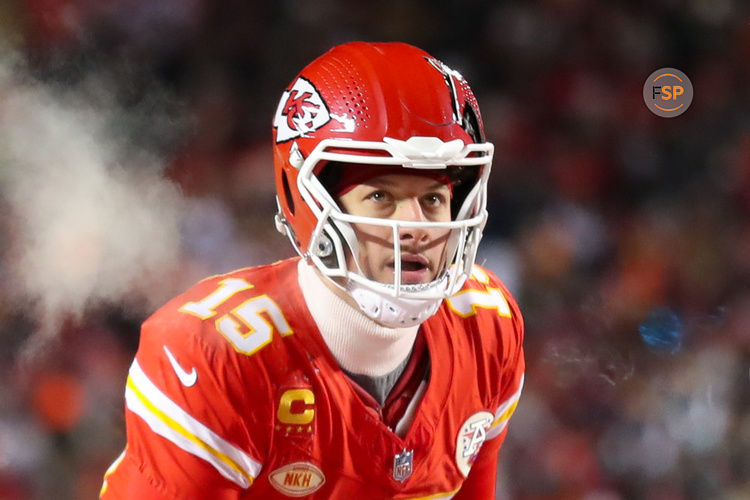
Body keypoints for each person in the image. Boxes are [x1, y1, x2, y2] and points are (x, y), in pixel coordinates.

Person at [100, 41, 525, 499]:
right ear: (310, 203)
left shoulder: (486, 328)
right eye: (381, 197)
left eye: (433, 199)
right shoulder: (213, 357)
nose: (415, 228)